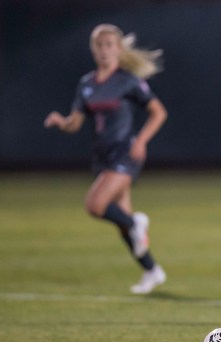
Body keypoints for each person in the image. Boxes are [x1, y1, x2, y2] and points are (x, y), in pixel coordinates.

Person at [44, 24, 168, 294]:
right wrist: (61, 122)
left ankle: (138, 223)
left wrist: (143, 140)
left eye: (109, 45)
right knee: (123, 226)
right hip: (103, 156)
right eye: (99, 45)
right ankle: (151, 270)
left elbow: (158, 112)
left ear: (119, 49)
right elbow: (75, 123)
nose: (104, 50)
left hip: (126, 153)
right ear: (93, 50)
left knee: (95, 205)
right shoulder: (87, 84)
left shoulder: (128, 80)